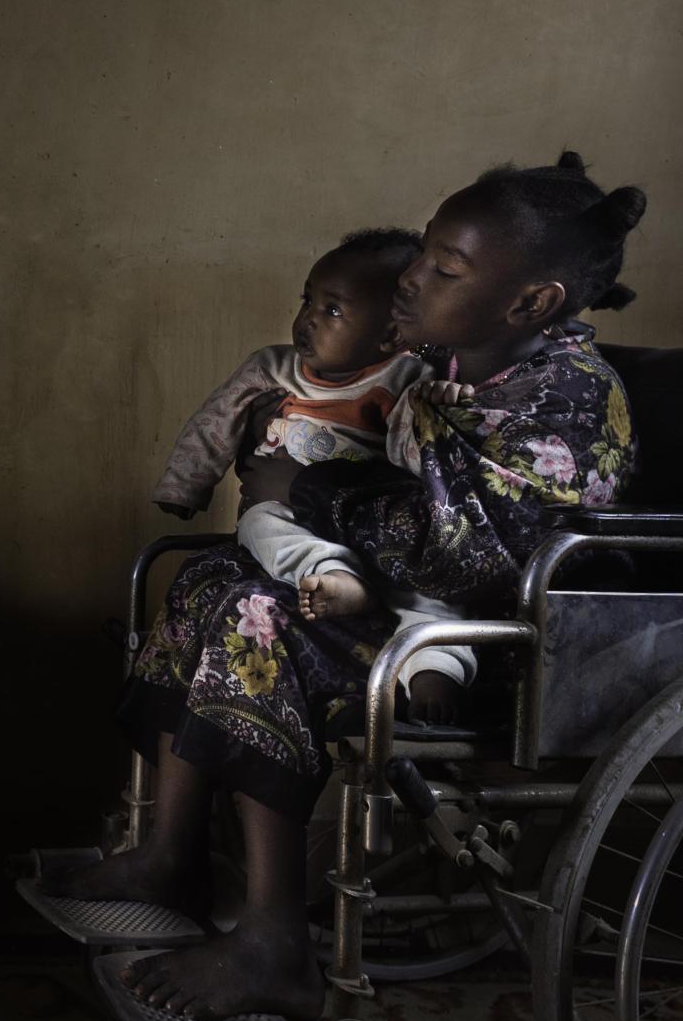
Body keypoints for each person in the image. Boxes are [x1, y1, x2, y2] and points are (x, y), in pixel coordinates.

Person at [56, 153, 644, 1021]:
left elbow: (465, 557)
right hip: (402, 603)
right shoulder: (452, 360)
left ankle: (273, 939)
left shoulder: (566, 402)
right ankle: (170, 855)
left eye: (444, 267)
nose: (410, 277)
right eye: (424, 253)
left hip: (496, 643)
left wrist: (306, 489)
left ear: (530, 302)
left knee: (256, 617)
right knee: (210, 577)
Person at [150, 229, 466, 716]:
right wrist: (185, 482)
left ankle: (435, 665)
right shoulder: (272, 367)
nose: (308, 320)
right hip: (290, 517)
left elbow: (415, 458)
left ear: (389, 336)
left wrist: (439, 406)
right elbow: (216, 421)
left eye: (332, 310)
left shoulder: (405, 380)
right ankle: (332, 575)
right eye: (308, 301)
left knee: (428, 591)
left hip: (370, 526)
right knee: (260, 522)